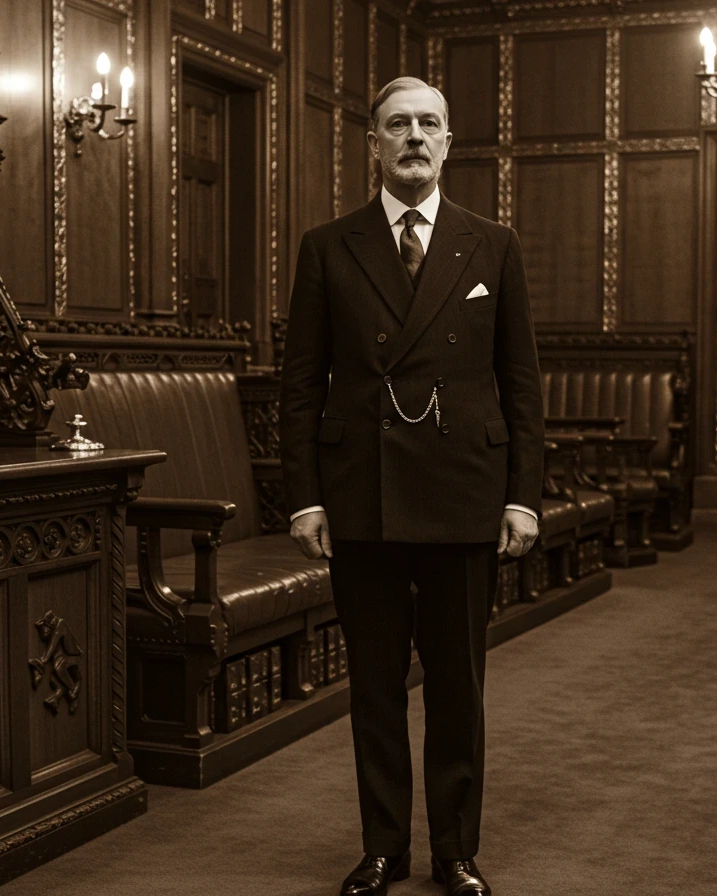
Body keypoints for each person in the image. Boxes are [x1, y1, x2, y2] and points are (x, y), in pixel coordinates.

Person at [280, 76, 544, 896]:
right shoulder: (329, 246)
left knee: (459, 688)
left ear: (450, 140)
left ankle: (456, 851)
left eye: (430, 122)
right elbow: (300, 384)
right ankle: (383, 848)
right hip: (366, 496)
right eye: (398, 125)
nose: (414, 138)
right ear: (375, 143)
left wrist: (524, 494)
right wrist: (305, 495)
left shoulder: (490, 243)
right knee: (376, 687)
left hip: (464, 492)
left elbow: (521, 380)